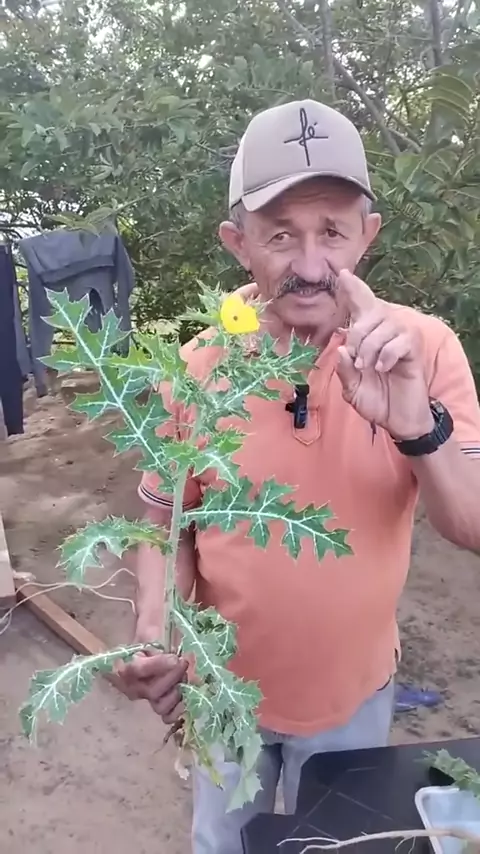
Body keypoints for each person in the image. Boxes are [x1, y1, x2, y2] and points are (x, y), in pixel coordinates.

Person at [118, 99, 480, 854]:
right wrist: (156, 629)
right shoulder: (195, 366)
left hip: (355, 695)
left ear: (368, 235)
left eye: (333, 233)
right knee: (223, 841)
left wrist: (418, 424)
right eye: (281, 234)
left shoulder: (426, 350)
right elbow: (162, 526)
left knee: (340, 844)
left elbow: (470, 525)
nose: (311, 266)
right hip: (222, 692)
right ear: (238, 243)